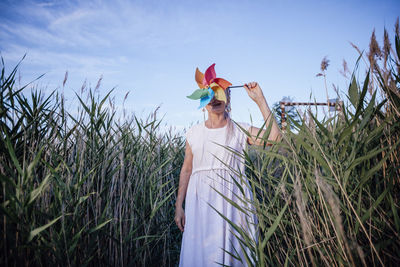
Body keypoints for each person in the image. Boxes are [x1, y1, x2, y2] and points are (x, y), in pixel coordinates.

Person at [175, 75, 281, 266]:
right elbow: (186, 170)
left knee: (234, 254)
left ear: (228, 98)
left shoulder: (240, 130)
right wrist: (178, 206)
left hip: (234, 204)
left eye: (219, 93)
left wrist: (260, 100)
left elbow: (275, 139)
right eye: (209, 93)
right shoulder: (193, 133)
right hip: (200, 204)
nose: (214, 99)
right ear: (202, 98)